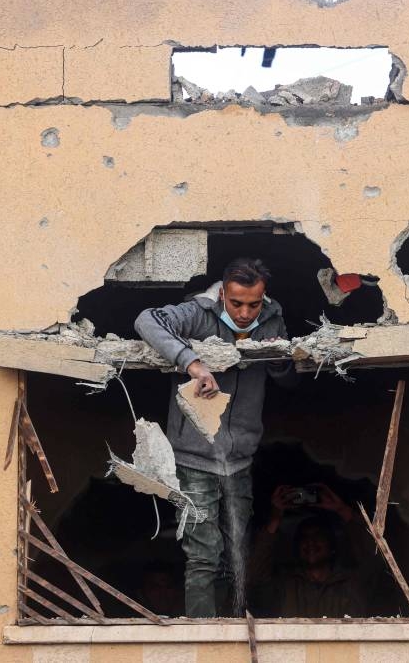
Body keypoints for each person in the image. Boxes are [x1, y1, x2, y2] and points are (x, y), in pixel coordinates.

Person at [133, 257, 297, 617]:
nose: (244, 313)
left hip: (239, 461)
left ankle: (231, 628)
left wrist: (278, 359)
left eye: (253, 304)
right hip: (194, 460)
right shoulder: (199, 313)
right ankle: (203, 637)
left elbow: (288, 381)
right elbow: (147, 320)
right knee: (204, 556)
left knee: (234, 556)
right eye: (236, 303)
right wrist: (193, 364)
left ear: (264, 297)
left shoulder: (272, 319)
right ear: (222, 294)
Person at [248, 483, 370, 618]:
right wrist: (275, 518)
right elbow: (254, 575)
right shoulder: (285, 584)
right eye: (304, 537)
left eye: (318, 536)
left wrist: (343, 510)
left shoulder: (351, 583)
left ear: (332, 546)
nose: (310, 542)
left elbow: (374, 553)